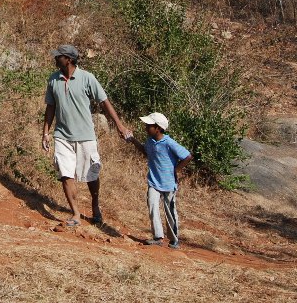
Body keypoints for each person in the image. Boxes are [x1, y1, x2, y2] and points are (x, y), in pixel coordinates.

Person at [42, 45, 131, 227]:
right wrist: (45, 132)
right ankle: (75, 214)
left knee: (91, 175)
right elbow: (50, 107)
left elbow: (104, 102)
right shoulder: (53, 79)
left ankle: (95, 205)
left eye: (59, 56)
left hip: (85, 136)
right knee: (65, 174)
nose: (55, 59)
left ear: (69, 59)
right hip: (62, 136)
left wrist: (119, 126)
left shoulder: (87, 78)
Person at [124, 112, 192, 249]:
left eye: (149, 125)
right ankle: (158, 237)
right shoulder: (150, 141)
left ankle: (174, 240)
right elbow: (145, 152)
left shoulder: (169, 143)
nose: (145, 127)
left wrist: (175, 170)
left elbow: (187, 156)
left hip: (168, 184)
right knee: (153, 206)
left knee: (170, 212)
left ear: (158, 128)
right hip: (154, 182)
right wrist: (133, 140)